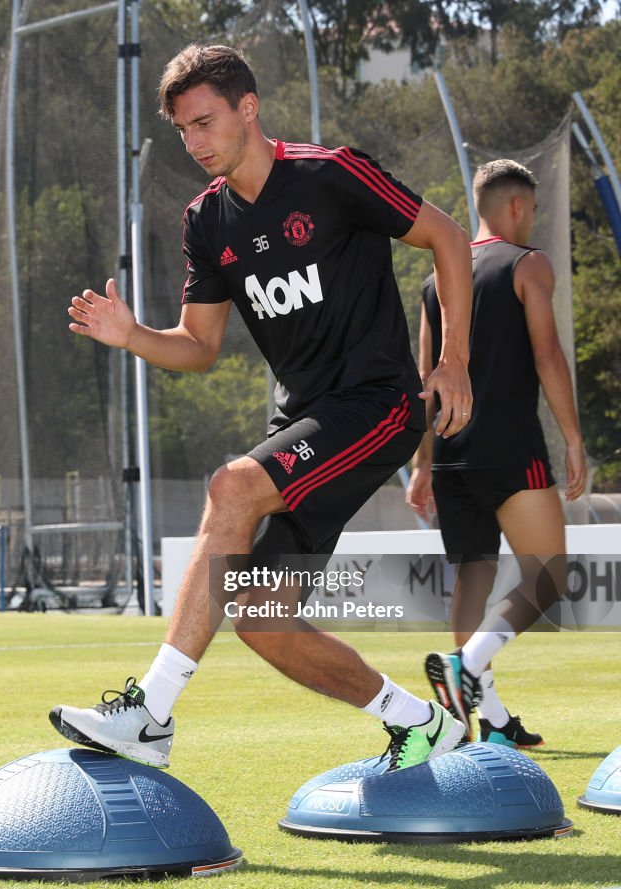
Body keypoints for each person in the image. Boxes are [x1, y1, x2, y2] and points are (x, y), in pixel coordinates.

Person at [49, 44, 476, 772]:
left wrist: (454, 359)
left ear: (249, 108)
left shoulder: (332, 173)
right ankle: (424, 722)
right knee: (263, 620)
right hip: (303, 424)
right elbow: (198, 345)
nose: (195, 143)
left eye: (206, 122)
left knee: (232, 484)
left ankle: (150, 711)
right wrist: (133, 336)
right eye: (183, 130)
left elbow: (448, 237)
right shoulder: (206, 221)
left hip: (376, 404)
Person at [407, 159, 586, 747]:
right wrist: (575, 440)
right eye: (531, 210)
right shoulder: (527, 263)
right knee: (548, 575)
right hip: (511, 447)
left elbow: (427, 376)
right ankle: (467, 665)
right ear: (516, 207)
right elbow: (548, 356)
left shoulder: (439, 277)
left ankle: (483, 724)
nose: (531, 220)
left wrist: (422, 464)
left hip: (454, 450)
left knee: (474, 578)